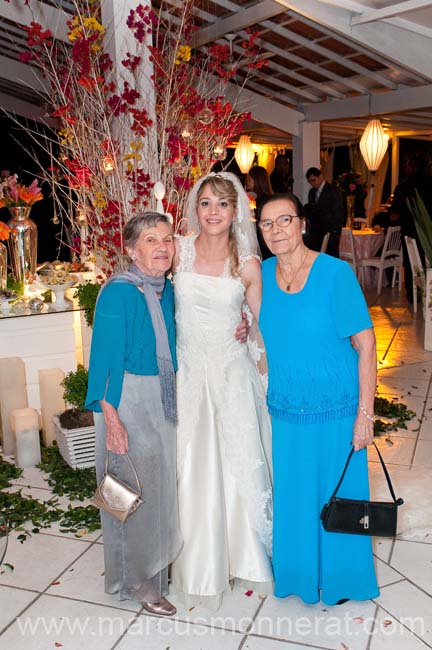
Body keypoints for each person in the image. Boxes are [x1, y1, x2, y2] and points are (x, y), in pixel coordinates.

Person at [258, 193, 379, 606]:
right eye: (266, 224)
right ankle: (298, 576)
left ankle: (345, 579)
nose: (276, 230)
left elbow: (366, 345)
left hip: (337, 408)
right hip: (289, 410)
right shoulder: (260, 276)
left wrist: (366, 413)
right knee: (295, 496)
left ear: (302, 224)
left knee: (340, 497)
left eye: (284, 220)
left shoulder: (334, 274)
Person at [171, 172, 273, 609]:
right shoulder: (177, 250)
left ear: (236, 212)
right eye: (206, 203)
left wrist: (250, 331)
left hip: (231, 376)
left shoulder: (248, 264)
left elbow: (261, 329)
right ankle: (193, 560)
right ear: (196, 208)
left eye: (222, 205)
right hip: (190, 372)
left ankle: (246, 556)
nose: (213, 212)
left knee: (235, 463)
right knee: (191, 463)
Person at [85, 212, 182, 616]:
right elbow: (104, 360)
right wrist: (112, 420)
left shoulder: (167, 289)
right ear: (130, 250)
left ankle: (152, 568)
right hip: (125, 400)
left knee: (156, 489)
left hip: (162, 395)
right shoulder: (119, 292)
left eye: (167, 239)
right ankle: (137, 581)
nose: (162, 247)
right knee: (127, 492)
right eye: (150, 241)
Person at [389, 153, 432, 303]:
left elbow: (395, 213)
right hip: (428, 233)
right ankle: (428, 293)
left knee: (411, 264)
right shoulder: (429, 184)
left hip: (409, 233)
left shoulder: (402, 187)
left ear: (410, 167)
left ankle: (414, 296)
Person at [305, 167, 344, 257]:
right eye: (310, 182)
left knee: (331, 258)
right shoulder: (311, 192)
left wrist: (334, 230)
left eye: (313, 180)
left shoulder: (333, 190)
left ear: (321, 176)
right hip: (317, 232)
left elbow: (338, 212)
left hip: (331, 231)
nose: (312, 184)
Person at [246, 165, 274, 259]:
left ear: (256, 180)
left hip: (261, 241)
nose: (247, 182)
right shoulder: (271, 198)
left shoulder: (254, 200)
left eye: (249, 179)